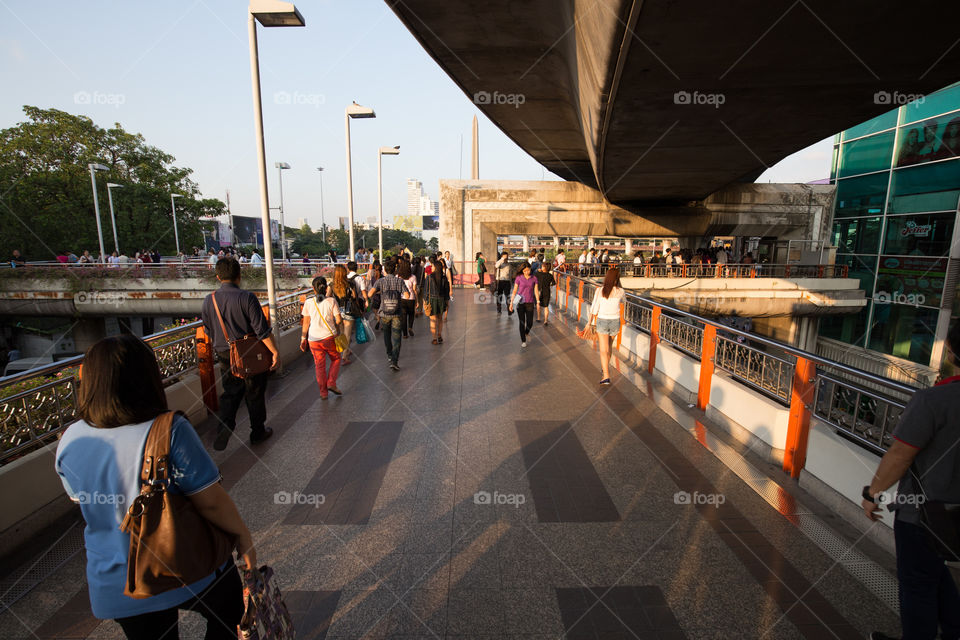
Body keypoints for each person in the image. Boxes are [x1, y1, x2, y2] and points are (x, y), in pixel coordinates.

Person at [55, 334, 253, 637]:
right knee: (229, 612)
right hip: (185, 568)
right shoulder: (169, 429)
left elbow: (80, 499)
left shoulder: (70, 439)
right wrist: (243, 537)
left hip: (116, 582)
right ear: (147, 377)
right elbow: (210, 501)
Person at [864, 322, 960, 640]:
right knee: (937, 572)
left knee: (917, 583)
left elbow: (900, 456)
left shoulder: (934, 400)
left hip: (925, 514)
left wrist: (872, 492)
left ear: (950, 351)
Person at [201, 257, 279, 451]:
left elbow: (208, 329)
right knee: (254, 391)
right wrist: (275, 351)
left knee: (231, 391)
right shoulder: (247, 298)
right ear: (239, 275)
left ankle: (225, 425)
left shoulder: (208, 300)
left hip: (224, 352)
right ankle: (257, 432)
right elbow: (261, 330)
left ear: (218, 276)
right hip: (250, 352)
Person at [300, 276, 342, 400]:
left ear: (313, 289)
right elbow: (338, 320)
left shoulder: (308, 302)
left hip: (313, 339)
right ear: (326, 288)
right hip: (329, 337)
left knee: (319, 366)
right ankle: (331, 383)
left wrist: (303, 339)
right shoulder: (331, 301)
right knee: (336, 359)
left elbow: (306, 323)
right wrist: (334, 326)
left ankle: (323, 393)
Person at [589, 267, 624, 385]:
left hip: (602, 320)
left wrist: (589, 323)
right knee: (609, 348)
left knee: (603, 350)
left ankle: (606, 375)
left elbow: (594, 308)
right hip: (615, 321)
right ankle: (605, 370)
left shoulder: (600, 290)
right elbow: (624, 301)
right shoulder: (621, 291)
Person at [371, 259, 407, 370]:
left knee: (386, 335)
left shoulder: (380, 281)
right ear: (395, 270)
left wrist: (380, 292)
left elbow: (369, 293)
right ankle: (395, 361)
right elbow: (406, 294)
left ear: (385, 270)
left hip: (384, 313)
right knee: (397, 337)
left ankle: (389, 355)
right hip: (397, 313)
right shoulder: (399, 281)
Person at [331, 265, 362, 364]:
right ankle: (344, 356)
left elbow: (327, 297)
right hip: (348, 310)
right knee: (347, 334)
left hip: (337, 312)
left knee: (341, 333)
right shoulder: (350, 284)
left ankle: (345, 351)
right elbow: (354, 296)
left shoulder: (331, 285)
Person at [508, 262, 539, 348]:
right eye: (524, 271)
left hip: (530, 302)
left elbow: (536, 290)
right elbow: (514, 291)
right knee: (522, 322)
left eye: (528, 270)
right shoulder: (519, 278)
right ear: (522, 270)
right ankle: (523, 340)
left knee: (530, 322)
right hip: (520, 302)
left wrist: (538, 301)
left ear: (530, 268)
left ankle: (526, 333)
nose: (526, 272)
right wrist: (511, 303)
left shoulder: (534, 278)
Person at [422, 256, 449, 344]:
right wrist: (447, 301)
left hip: (432, 300)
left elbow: (426, 291)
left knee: (433, 319)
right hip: (441, 300)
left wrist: (424, 301)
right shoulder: (444, 278)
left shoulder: (429, 277)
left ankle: (434, 338)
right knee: (440, 318)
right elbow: (446, 291)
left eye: (433, 266)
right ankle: (439, 335)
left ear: (435, 267)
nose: (432, 268)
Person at [398, 259, 417, 338]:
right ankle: (410, 327)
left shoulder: (398, 277)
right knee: (411, 314)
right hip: (411, 298)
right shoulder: (413, 277)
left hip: (401, 298)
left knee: (403, 316)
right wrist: (417, 301)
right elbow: (414, 290)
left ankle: (405, 334)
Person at [535, 261, 555, 326]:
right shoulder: (550, 275)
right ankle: (546, 320)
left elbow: (534, 276)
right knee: (546, 306)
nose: (541, 267)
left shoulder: (539, 274)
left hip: (539, 291)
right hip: (547, 292)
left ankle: (538, 318)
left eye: (542, 266)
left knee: (538, 304)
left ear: (544, 267)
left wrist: (538, 271)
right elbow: (553, 283)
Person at [494, 251, 513, 315]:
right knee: (499, 296)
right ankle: (499, 309)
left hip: (507, 282)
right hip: (500, 281)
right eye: (505, 256)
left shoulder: (509, 265)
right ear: (501, 257)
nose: (506, 258)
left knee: (507, 296)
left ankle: (509, 310)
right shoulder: (499, 263)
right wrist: (502, 259)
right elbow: (496, 266)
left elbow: (510, 274)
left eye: (507, 256)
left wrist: (510, 283)